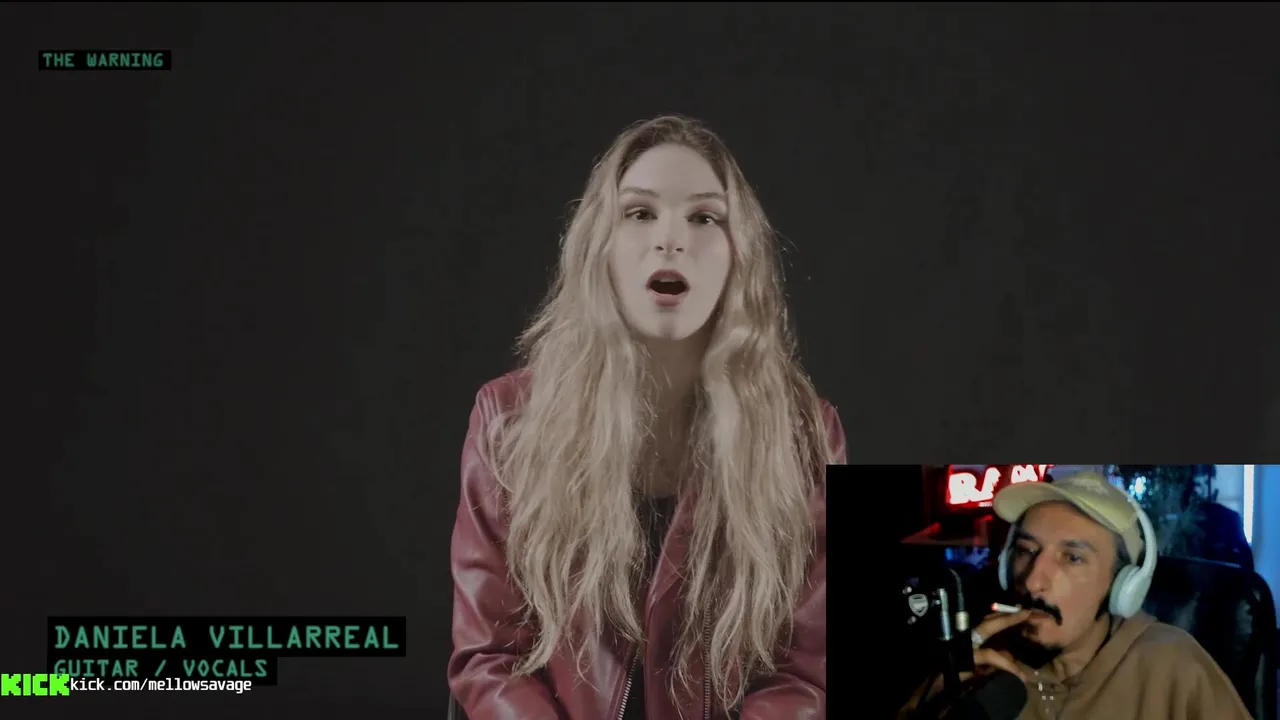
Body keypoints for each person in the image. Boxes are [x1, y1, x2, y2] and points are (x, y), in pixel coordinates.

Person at [447, 115, 846, 720]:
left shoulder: (804, 435)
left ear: (739, 254)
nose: (670, 239)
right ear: (600, 247)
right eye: (639, 213)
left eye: (704, 217)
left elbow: (806, 674)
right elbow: (490, 658)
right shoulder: (508, 420)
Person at [898, 470, 1252, 720]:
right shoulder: (983, 664)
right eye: (1026, 551)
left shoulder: (1174, 667)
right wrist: (933, 697)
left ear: (1123, 586)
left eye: (1072, 558)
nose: (1033, 582)